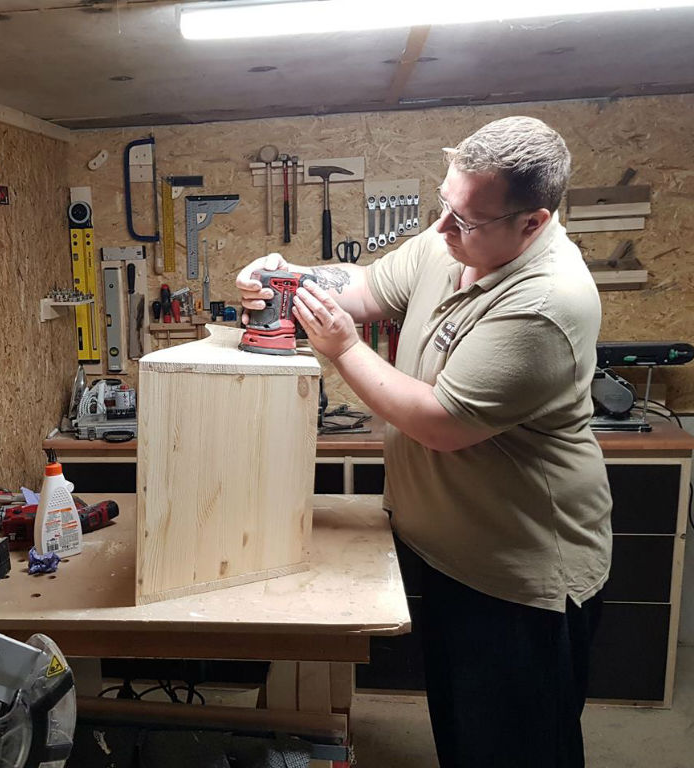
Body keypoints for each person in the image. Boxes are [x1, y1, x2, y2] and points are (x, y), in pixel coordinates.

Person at [237, 116, 611, 768]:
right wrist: (285, 277)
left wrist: (343, 352)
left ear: (533, 222)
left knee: (518, 750)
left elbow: (440, 423)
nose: (441, 232)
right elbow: (362, 288)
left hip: (517, 578)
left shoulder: (547, 303)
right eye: (446, 204)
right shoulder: (456, 244)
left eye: (466, 221)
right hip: (447, 553)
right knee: (465, 737)